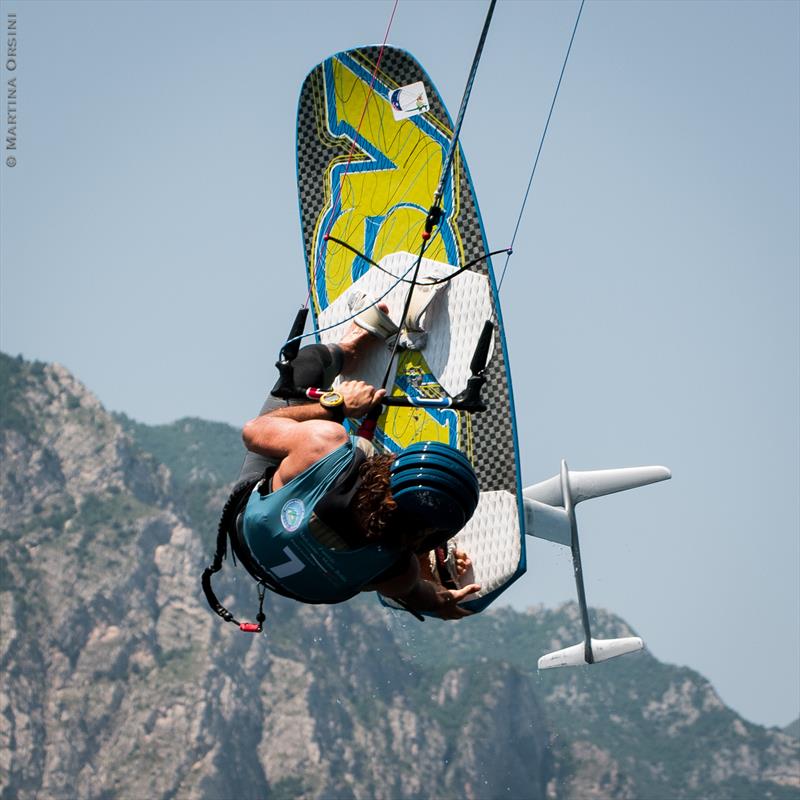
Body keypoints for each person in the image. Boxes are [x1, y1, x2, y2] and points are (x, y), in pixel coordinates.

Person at [223, 305, 482, 620]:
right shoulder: (399, 570)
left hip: (254, 532)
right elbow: (420, 597)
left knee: (306, 366)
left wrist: (337, 406)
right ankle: (433, 557)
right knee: (388, 562)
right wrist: (442, 603)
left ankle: (348, 348)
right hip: (297, 582)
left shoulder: (322, 445)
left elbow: (254, 431)